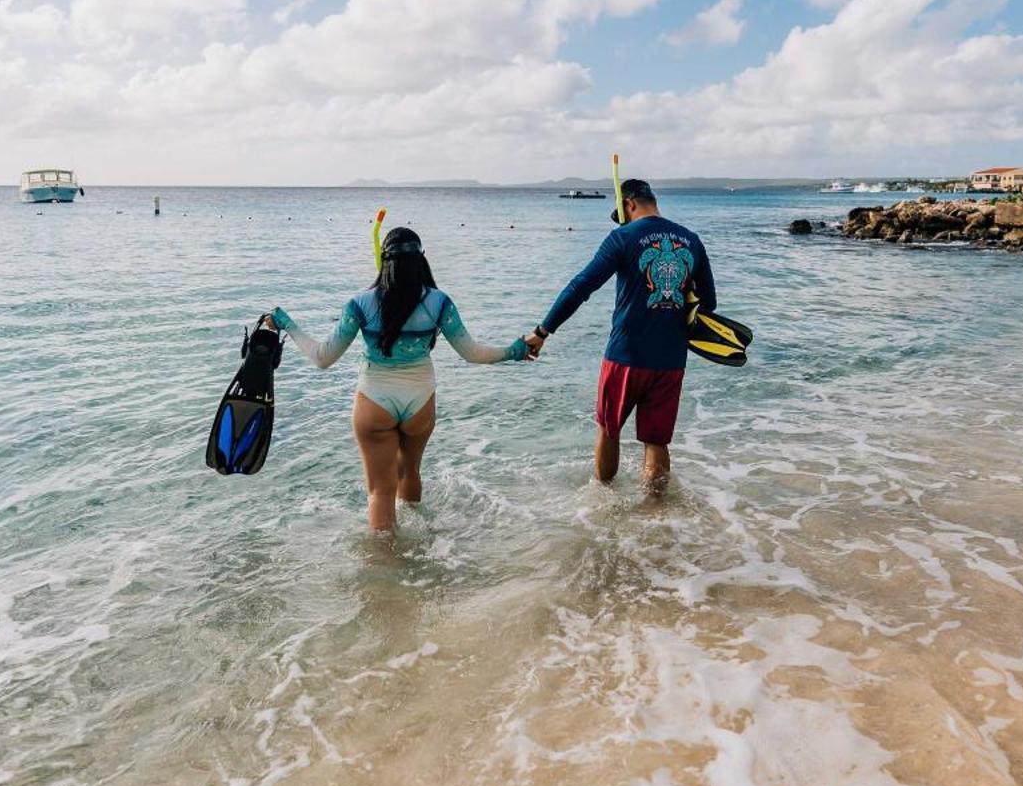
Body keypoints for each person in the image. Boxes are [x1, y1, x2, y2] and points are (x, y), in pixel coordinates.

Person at [272, 227, 528, 531]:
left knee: (380, 492)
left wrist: (285, 323)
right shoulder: (439, 302)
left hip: (373, 402)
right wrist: (515, 351)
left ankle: (385, 571)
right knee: (409, 474)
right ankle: (421, 550)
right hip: (419, 404)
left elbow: (323, 358)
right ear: (422, 260)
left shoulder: (360, 304)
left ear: (384, 261)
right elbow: (472, 353)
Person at [524, 179, 714, 493]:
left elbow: (581, 287)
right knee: (656, 441)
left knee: (609, 430)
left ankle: (603, 506)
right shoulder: (691, 240)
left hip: (625, 356)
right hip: (671, 359)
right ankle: (657, 517)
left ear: (629, 204)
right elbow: (709, 303)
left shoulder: (622, 237)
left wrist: (543, 331)